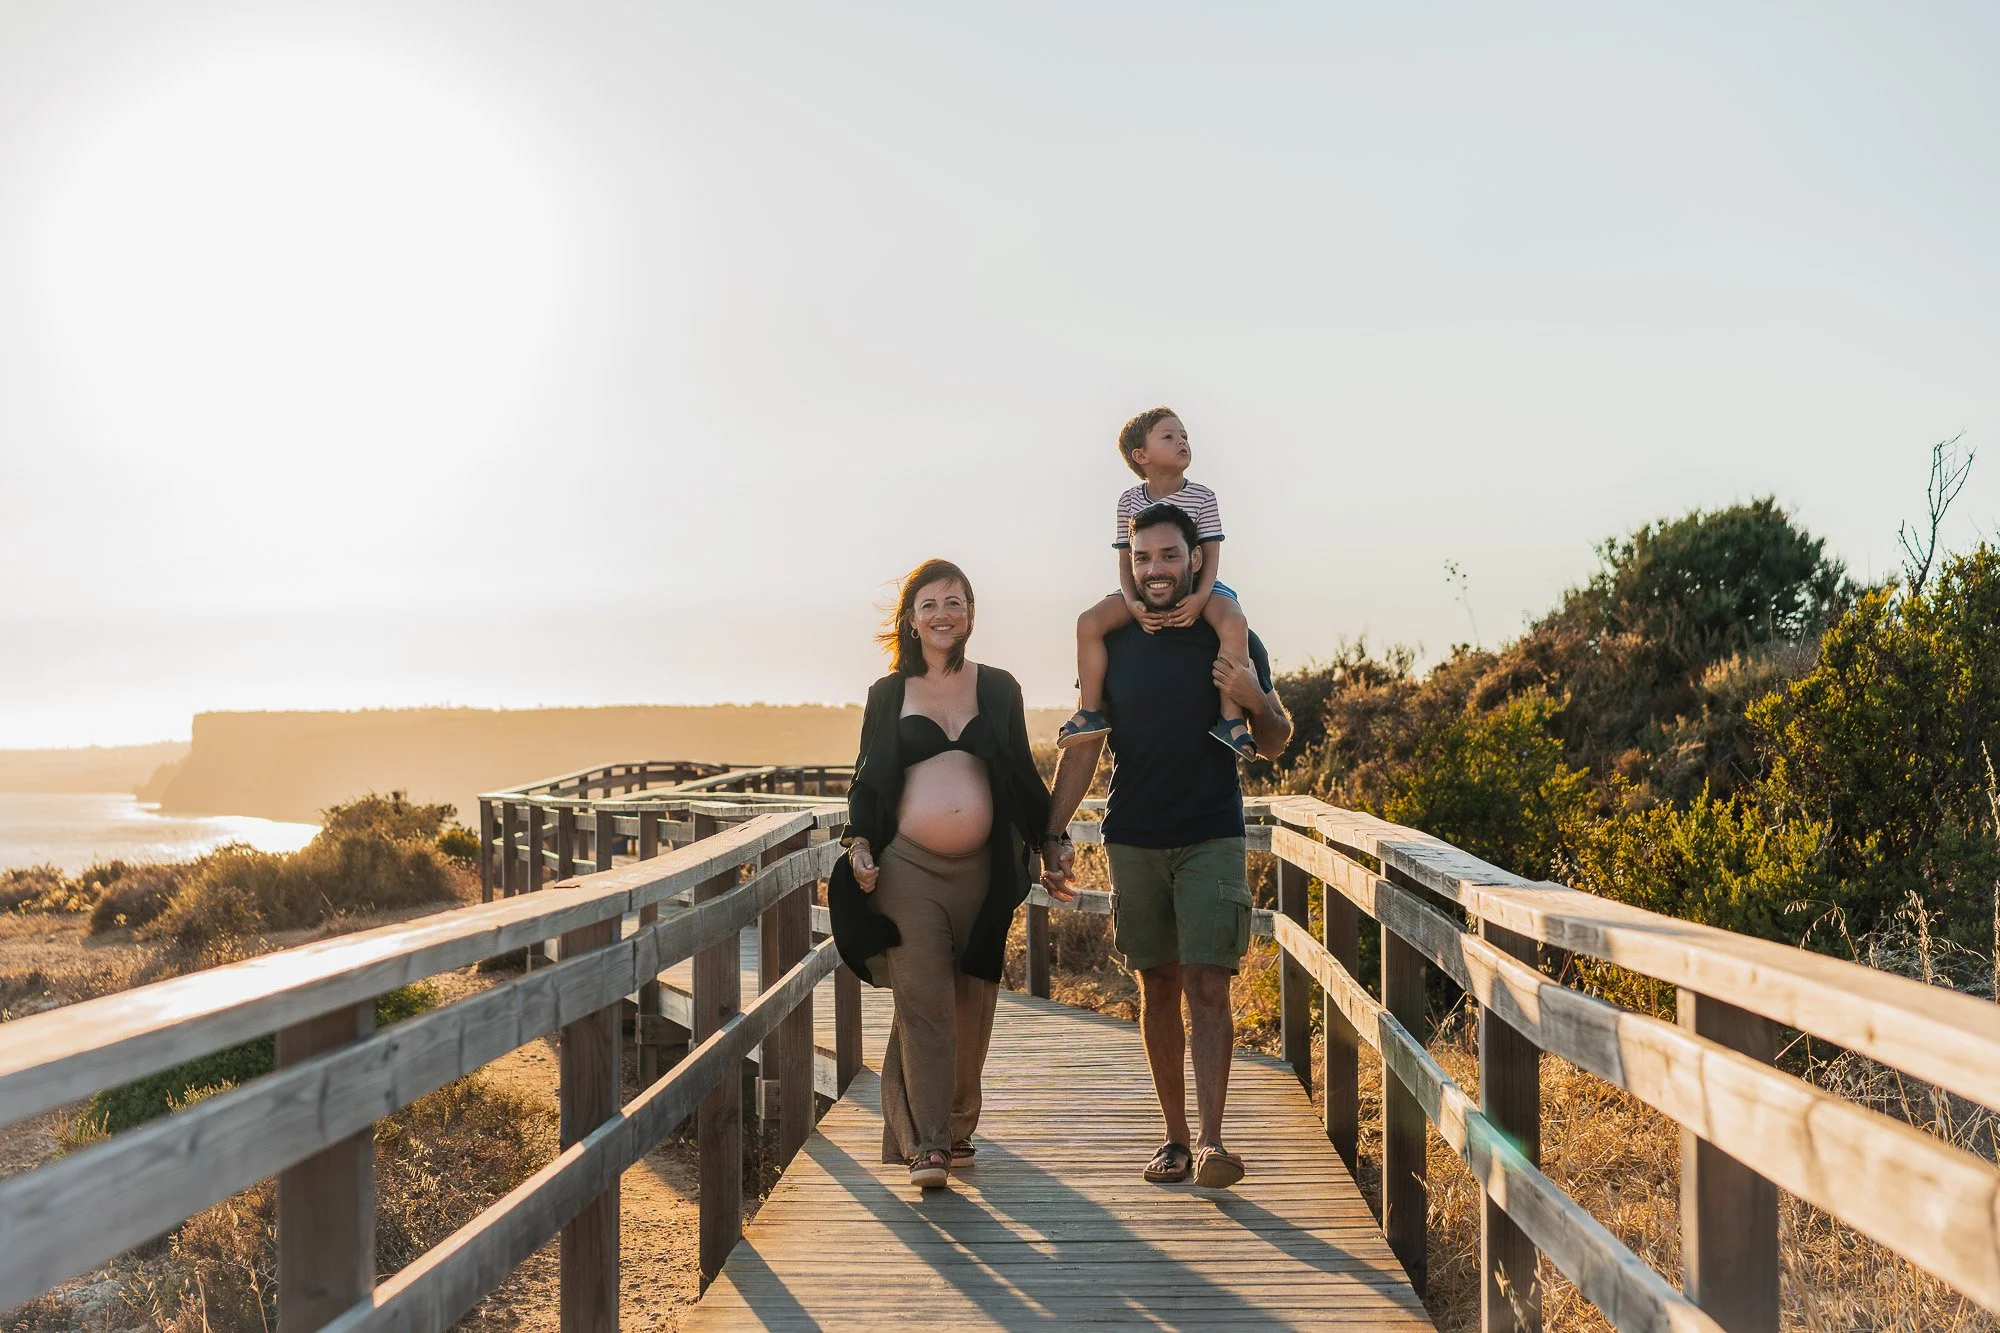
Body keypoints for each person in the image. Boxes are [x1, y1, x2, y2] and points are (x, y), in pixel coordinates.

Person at [1041, 503, 1292, 1188]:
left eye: (1169, 556)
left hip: (1211, 829)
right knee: (1158, 983)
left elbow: (1274, 738)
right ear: (1128, 559)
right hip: (1135, 835)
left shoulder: (1229, 633)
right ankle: (1175, 1139)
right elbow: (1087, 742)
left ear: (1196, 559)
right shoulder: (1113, 640)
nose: (1156, 569)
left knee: (1209, 980)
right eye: (1143, 557)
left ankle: (1212, 1142)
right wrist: (1053, 826)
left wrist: (1254, 698)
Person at [826, 559, 1066, 1190]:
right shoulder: (888, 694)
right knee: (925, 999)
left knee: (972, 1003)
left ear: (970, 615)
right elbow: (865, 781)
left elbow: (1018, 772)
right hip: (909, 870)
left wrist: (1051, 839)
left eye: (954, 602)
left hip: (985, 874)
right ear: (911, 618)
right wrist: (860, 847)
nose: (942, 614)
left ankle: (957, 1126)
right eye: (929, 603)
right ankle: (927, 1146)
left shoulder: (998, 687)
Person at [1057, 407, 1260, 759]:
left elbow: (1209, 555)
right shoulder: (1128, 501)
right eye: (1169, 436)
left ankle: (1231, 718)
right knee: (1088, 622)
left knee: (1234, 622)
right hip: (1141, 586)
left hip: (1201, 582)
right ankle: (1090, 711)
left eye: (1184, 436)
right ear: (1141, 456)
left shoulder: (1203, 497)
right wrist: (1133, 603)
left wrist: (1200, 598)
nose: (1181, 441)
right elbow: (1126, 560)